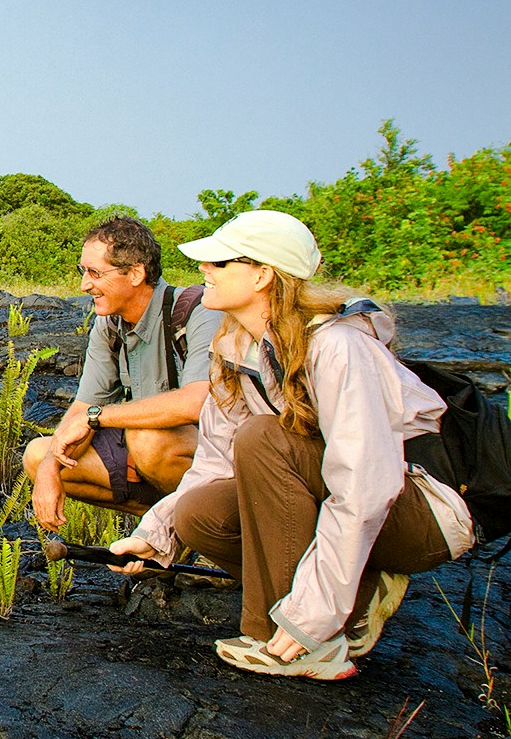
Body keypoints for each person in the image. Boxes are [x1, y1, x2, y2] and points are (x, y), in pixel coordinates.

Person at [109, 210, 475, 680]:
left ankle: (300, 643)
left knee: (265, 438)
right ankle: (356, 595)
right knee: (198, 513)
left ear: (263, 274)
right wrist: (156, 534)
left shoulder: (339, 345)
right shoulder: (235, 349)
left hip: (424, 513)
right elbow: (214, 463)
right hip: (355, 502)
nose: (205, 270)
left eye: (220, 262)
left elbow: (365, 488)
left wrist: (310, 618)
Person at [25, 216, 221, 530]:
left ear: (135, 273)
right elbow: (82, 407)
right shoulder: (110, 324)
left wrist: (97, 417)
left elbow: (195, 402)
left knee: (147, 441)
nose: (84, 285)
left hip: (222, 462)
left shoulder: (198, 312)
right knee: (37, 454)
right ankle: (164, 526)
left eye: (95, 273)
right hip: (151, 459)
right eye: (83, 271)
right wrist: (49, 467)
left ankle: (206, 528)